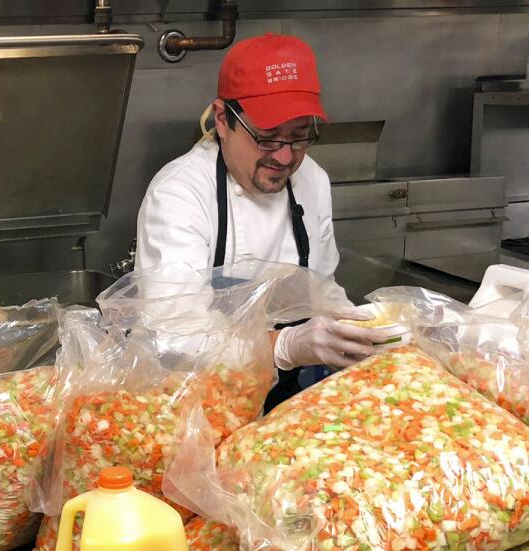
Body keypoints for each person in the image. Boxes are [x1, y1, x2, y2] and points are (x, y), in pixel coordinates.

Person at [135, 33, 385, 408]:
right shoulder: (180, 192)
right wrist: (283, 346)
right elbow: (175, 337)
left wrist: (358, 329)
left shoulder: (312, 179)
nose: (285, 158)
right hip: (195, 403)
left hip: (285, 397)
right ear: (223, 119)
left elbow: (320, 287)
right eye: (267, 138)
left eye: (299, 138)